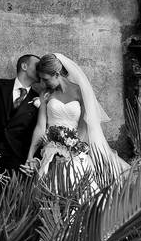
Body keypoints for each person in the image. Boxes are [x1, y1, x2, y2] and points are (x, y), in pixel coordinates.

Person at [25, 52, 129, 182]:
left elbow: (84, 126)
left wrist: (72, 148)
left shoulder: (80, 92)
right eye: (41, 79)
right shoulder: (45, 94)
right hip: (51, 149)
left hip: (75, 148)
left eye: (46, 79)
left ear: (57, 75)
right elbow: (40, 127)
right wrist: (29, 156)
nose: (42, 83)